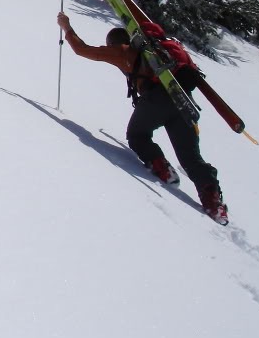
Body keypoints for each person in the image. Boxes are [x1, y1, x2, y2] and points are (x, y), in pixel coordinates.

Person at [56, 12, 229, 225]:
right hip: (183, 102)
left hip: (157, 99)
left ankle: (163, 169)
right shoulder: (154, 54)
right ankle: (214, 203)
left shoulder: (123, 52)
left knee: (137, 135)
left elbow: (83, 50)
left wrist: (67, 28)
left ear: (114, 43)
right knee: (191, 159)